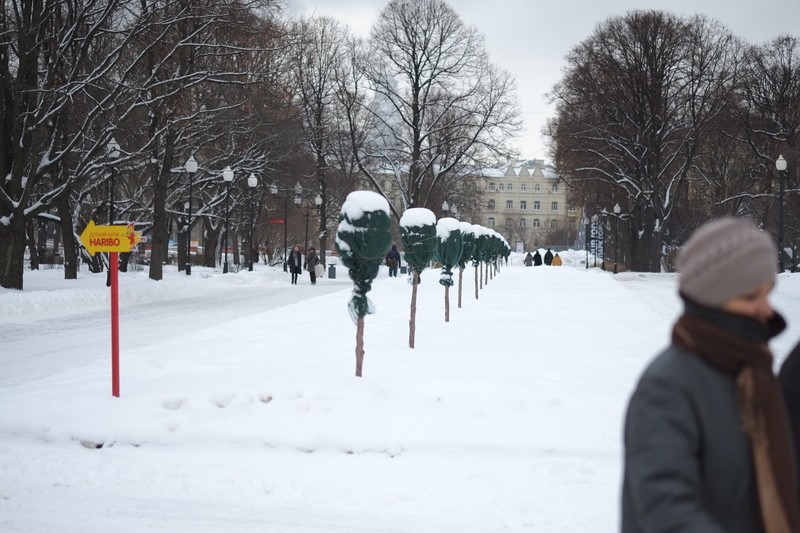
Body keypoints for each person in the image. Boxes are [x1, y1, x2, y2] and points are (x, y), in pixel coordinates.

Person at [621, 217, 800, 532]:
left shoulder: (751, 371)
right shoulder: (668, 386)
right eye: (750, 297)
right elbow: (666, 511)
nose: (766, 310)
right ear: (712, 299)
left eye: (767, 294)